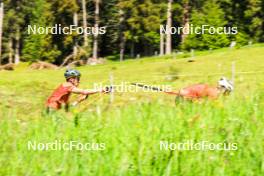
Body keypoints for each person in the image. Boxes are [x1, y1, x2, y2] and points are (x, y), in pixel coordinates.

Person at [165, 77, 234, 100]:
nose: (228, 94)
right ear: (224, 88)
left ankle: (156, 88)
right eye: (228, 91)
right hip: (186, 97)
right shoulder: (214, 94)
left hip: (187, 94)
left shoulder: (213, 89)